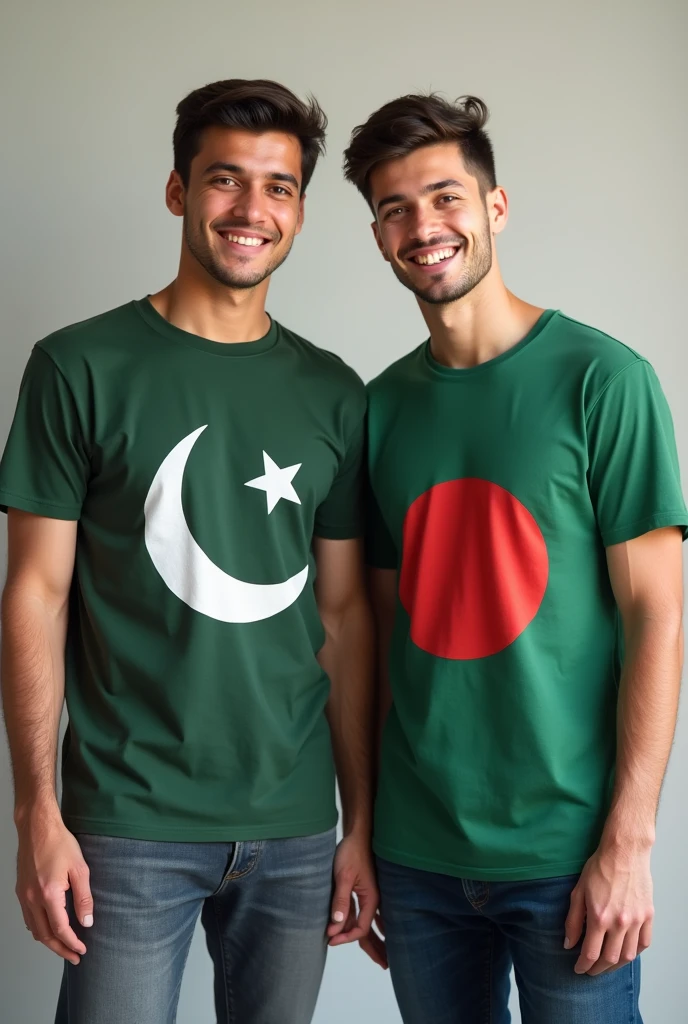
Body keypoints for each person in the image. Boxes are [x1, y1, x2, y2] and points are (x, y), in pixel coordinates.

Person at [0, 78, 377, 1024]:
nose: (252, 211)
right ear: (178, 191)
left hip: (294, 829)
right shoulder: (78, 367)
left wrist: (359, 820)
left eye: (280, 187)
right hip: (126, 826)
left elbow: (342, 617)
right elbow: (35, 595)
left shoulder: (335, 393)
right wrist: (36, 815)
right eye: (224, 180)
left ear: (299, 208)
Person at [343, 93, 686, 1023]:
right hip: (417, 860)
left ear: (495, 207)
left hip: (568, 857)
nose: (425, 226)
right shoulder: (375, 411)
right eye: (396, 208)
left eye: (447, 198)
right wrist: (363, 830)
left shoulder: (603, 381)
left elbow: (659, 615)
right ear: (377, 235)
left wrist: (628, 842)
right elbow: (375, 632)